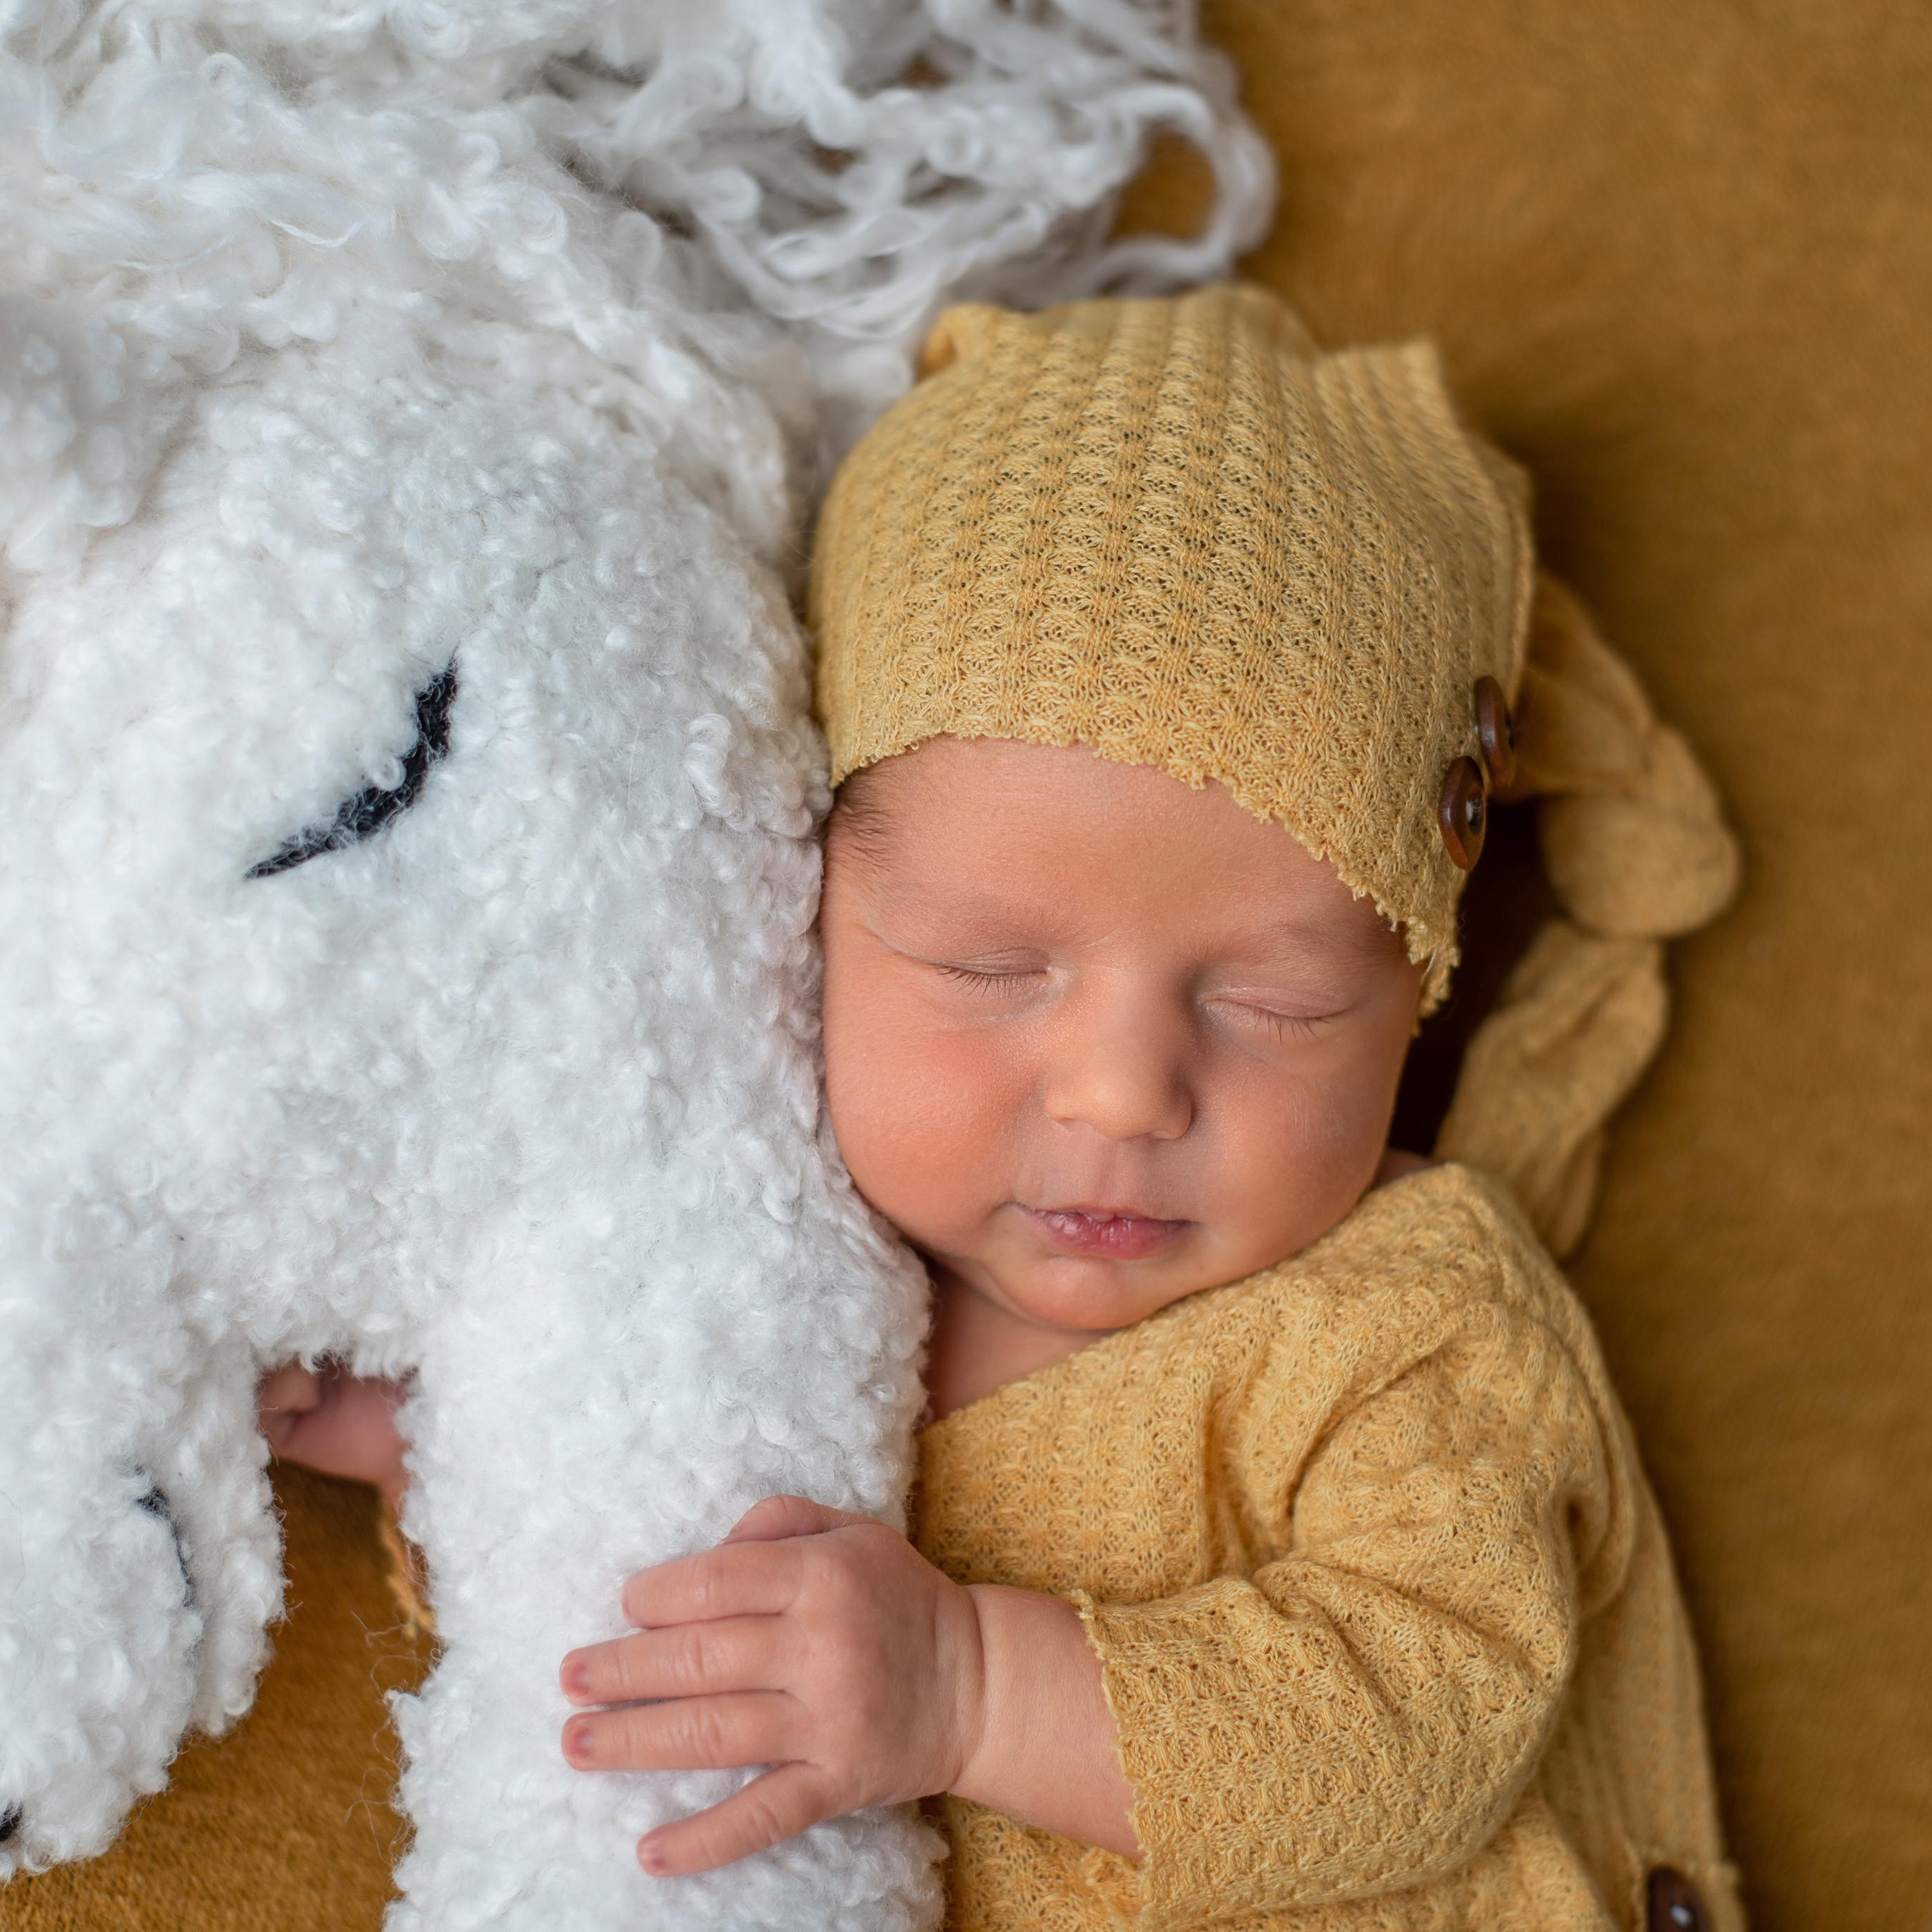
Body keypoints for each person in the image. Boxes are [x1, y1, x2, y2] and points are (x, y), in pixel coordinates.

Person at [262, 286, 1743, 1929]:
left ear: (1415, 997)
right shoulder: (761, 1276)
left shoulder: (1406, 1323)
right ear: (802, 907)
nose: (1120, 1091)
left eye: (1274, 1002)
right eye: (985, 964)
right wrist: (458, 1455)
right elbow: (662, 1655)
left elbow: (1432, 1709)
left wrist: (971, 1687)